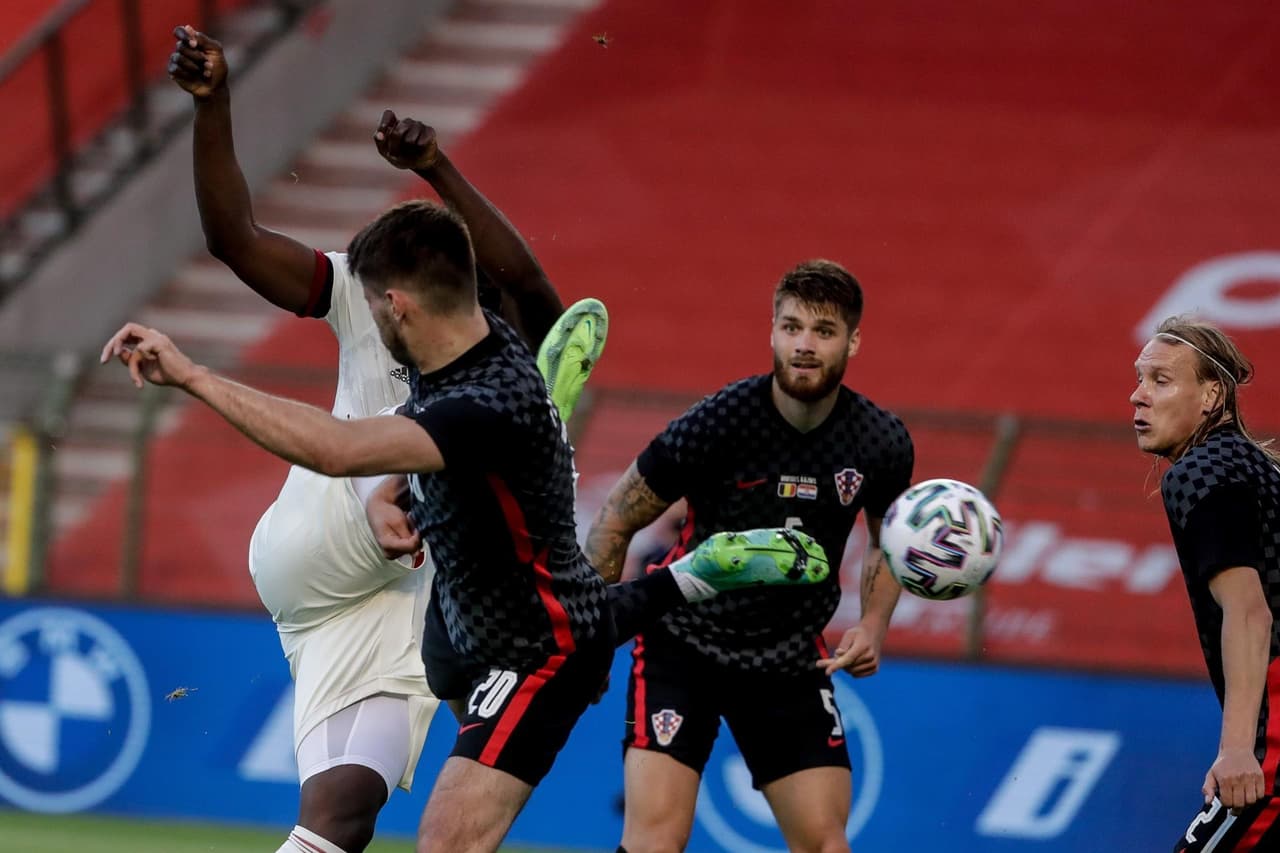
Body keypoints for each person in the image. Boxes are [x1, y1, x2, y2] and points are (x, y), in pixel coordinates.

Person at [101, 198, 831, 853]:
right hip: (458, 618)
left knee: (448, 840)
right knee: (492, 633)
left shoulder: (478, 404)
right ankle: (685, 557)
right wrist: (393, 490)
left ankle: (696, 569)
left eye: (373, 309)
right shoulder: (460, 348)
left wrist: (193, 375)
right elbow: (503, 295)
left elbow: (333, 447)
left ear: (398, 306)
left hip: (533, 653)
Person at [166, 25, 607, 853]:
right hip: (332, 542)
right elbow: (235, 241)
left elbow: (532, 292)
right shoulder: (370, 294)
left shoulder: (498, 351)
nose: (371, 308)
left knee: (339, 817)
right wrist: (213, 106)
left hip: (397, 597)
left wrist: (438, 167)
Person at [585, 259, 915, 853]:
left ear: (854, 340)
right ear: (771, 332)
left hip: (788, 659)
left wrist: (873, 624)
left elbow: (889, 536)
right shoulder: (717, 423)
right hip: (682, 647)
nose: (805, 345)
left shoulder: (881, 441)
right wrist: (588, 641)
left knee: (826, 845)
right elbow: (615, 519)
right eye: (791, 328)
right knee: (655, 842)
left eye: (823, 331)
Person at [1130, 316, 1280, 852]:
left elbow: (1248, 612)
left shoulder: (1202, 471)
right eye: (1139, 378)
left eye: (1161, 380)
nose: (1138, 396)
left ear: (1212, 394)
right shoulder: (1250, 465)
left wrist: (1240, 748)